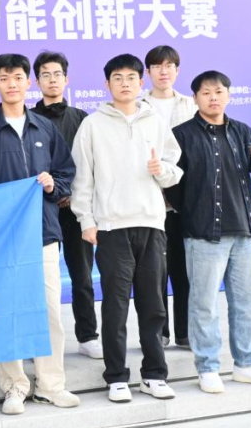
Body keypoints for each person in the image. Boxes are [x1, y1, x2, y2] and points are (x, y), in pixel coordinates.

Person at [0, 54, 80, 415]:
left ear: (28, 83)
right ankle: (14, 385)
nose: (12, 84)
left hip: (43, 233)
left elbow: (66, 172)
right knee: (7, 312)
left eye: (18, 77)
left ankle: (51, 385)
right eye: (4, 78)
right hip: (2, 240)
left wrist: (52, 185)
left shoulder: (44, 128)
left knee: (49, 312)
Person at [71, 54, 182, 404]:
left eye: (131, 77)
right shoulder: (92, 125)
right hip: (111, 227)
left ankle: (154, 374)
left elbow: (174, 169)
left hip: (151, 224)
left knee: (153, 305)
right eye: (117, 78)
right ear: (107, 84)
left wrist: (161, 170)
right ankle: (116, 377)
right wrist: (87, 221)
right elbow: (82, 178)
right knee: (115, 307)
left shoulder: (155, 121)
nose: (124, 83)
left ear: (140, 82)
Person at [170, 70, 251, 395]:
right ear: (195, 98)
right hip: (203, 235)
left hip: (244, 233)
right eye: (206, 93)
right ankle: (207, 367)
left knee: (246, 302)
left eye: (218, 92)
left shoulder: (242, 131)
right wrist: (193, 213)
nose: (213, 97)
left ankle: (247, 364)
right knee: (204, 305)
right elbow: (172, 186)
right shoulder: (181, 135)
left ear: (228, 95)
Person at [31, 51, 101, 360]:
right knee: (39, 280)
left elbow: (90, 162)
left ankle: (87, 335)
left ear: (66, 79)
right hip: (40, 210)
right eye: (45, 74)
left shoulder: (82, 118)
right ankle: (38, 340)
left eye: (57, 74)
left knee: (82, 275)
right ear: (37, 81)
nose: (52, 79)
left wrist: (76, 196)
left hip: (75, 208)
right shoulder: (28, 118)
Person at [144, 45, 198, 348]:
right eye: (157, 66)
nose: (163, 71)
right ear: (148, 72)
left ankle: (185, 332)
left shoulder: (191, 105)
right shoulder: (137, 106)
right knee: (153, 273)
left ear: (177, 70)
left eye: (169, 66)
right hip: (148, 200)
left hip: (184, 202)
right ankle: (159, 333)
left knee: (184, 270)